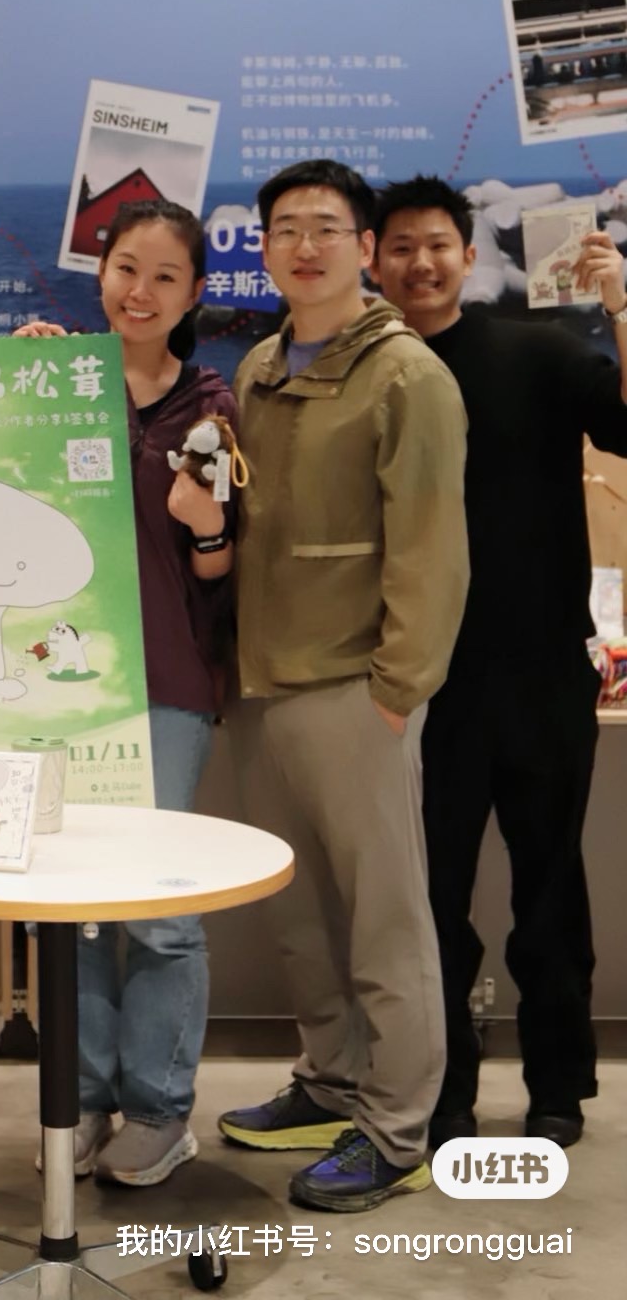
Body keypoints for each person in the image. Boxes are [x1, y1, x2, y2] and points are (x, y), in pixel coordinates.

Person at [218, 159, 468, 1212]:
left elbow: (431, 549)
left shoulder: (407, 375)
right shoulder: (257, 367)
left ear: (363, 248)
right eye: (285, 229)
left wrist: (396, 687)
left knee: (384, 921)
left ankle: (397, 1128)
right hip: (263, 683)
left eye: (326, 227)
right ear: (263, 249)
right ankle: (329, 1082)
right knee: (301, 916)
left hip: (355, 689)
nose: (305, 246)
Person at [373, 173, 627, 1150]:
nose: (420, 263)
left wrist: (619, 307)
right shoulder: (368, 372)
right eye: (400, 246)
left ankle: (558, 1085)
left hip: (540, 673)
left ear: (468, 256)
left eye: (436, 244)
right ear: (374, 262)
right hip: (416, 684)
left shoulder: (535, 349)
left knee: (548, 888)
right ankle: (441, 1090)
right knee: (427, 900)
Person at [17, 199, 236, 1187]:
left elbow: (217, 568)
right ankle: (79, 1100)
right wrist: (10, 389)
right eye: (124, 269)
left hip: (165, 687)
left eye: (164, 276)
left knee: (156, 909)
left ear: (193, 295)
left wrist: (203, 524)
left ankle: (158, 1108)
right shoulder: (56, 382)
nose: (139, 291)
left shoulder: (210, 409)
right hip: (56, 687)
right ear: (98, 275)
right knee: (71, 908)